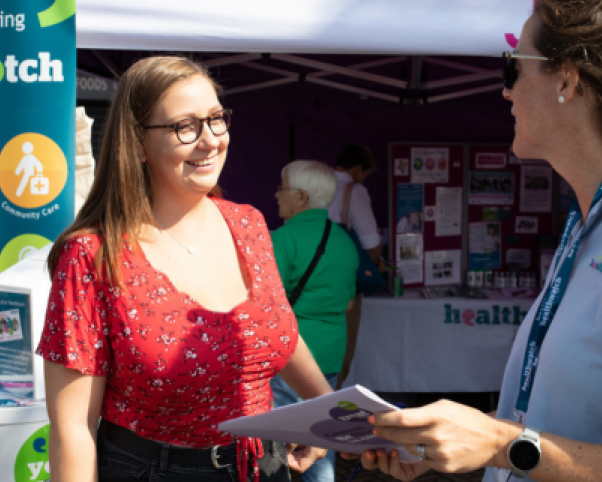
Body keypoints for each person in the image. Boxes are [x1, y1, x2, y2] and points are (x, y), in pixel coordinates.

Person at [353, 2, 602, 481]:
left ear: (567, 81)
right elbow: (562, 427)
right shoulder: (595, 218)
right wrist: (454, 445)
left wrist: (504, 445)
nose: (505, 90)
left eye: (513, 66)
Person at [37, 56, 333, 482]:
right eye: (185, 126)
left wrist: (326, 413)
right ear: (137, 143)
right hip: (154, 469)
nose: (211, 139)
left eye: (216, 118)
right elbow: (72, 427)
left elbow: (275, 329)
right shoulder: (92, 255)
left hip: (264, 465)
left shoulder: (247, 224)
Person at [270, 160, 359, 482]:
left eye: (282, 188)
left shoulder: (282, 239)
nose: (277, 195)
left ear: (302, 197)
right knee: (321, 434)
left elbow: (267, 307)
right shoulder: (346, 241)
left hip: (291, 355)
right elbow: (348, 303)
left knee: (277, 442)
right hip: (330, 352)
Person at [326, 144, 383, 387]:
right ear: (358, 169)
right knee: (342, 348)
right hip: (343, 279)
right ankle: (328, 400)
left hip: (308, 278)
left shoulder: (315, 186)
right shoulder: (354, 190)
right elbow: (370, 240)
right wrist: (378, 263)